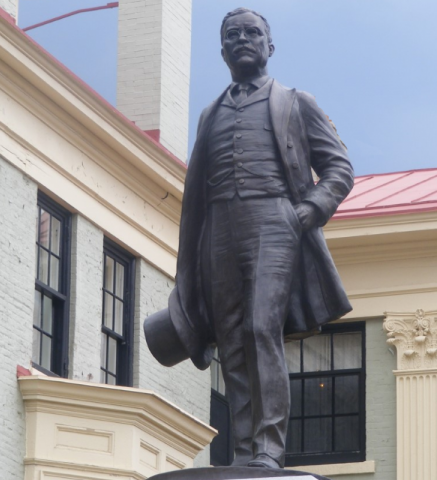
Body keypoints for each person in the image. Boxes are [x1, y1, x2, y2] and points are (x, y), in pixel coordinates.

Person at [145, 7, 354, 470]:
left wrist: (308, 211)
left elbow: (339, 168)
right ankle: (243, 452)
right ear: (222, 50)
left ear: (269, 46)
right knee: (232, 340)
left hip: (275, 220)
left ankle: (268, 448)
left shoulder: (296, 102)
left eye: (252, 32)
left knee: (262, 329)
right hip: (218, 230)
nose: (242, 39)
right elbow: (197, 193)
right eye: (233, 34)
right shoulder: (208, 114)